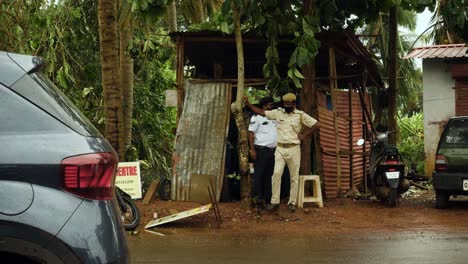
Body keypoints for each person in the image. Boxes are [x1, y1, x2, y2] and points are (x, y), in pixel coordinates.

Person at [243, 93, 320, 212]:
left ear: (294, 104)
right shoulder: (278, 113)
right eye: (285, 103)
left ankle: (292, 203)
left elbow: (316, 125)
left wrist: (304, 135)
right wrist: (248, 104)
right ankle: (275, 202)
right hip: (279, 149)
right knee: (276, 174)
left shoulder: (300, 115)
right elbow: (261, 112)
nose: (287, 105)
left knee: (293, 177)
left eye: (289, 104)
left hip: (294, 149)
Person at [248, 96, 277, 210]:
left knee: (269, 176)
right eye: (269, 105)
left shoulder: (274, 117)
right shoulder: (256, 117)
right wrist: (252, 150)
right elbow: (251, 134)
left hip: (273, 151)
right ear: (263, 106)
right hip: (261, 150)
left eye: (272, 105)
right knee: (258, 175)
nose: (271, 107)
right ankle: (257, 199)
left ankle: (268, 198)